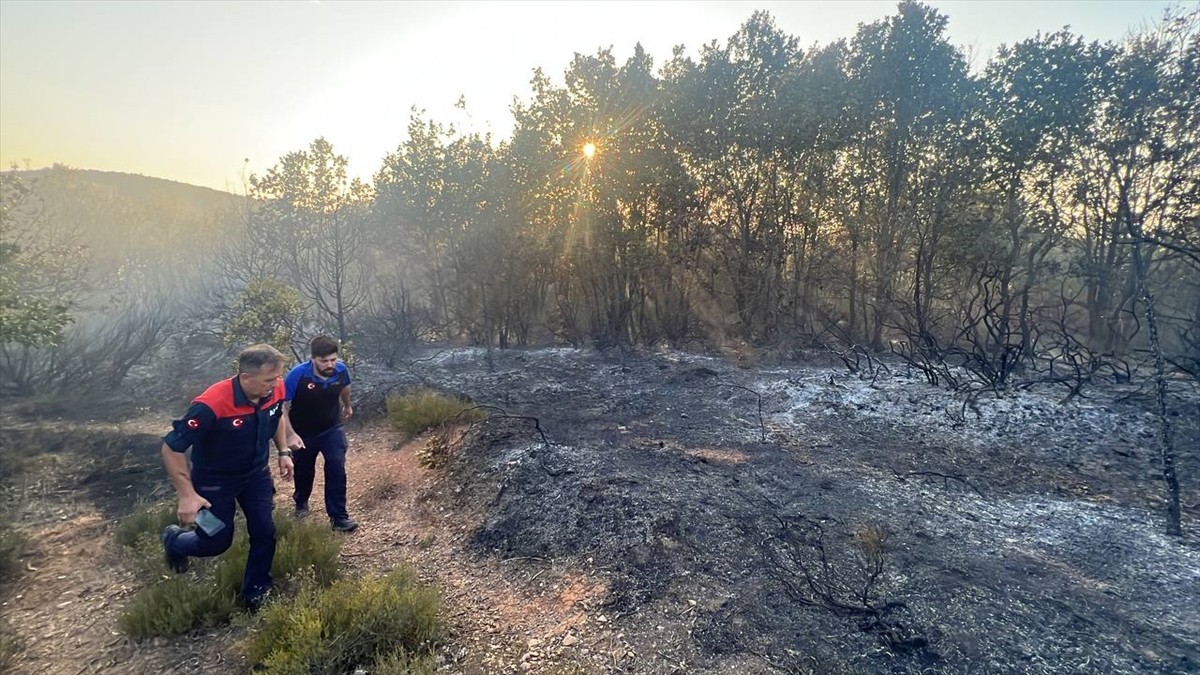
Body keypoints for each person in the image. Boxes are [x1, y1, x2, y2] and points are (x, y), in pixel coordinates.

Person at [159, 343, 302, 610]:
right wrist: (188, 496)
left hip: (256, 476)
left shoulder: (275, 388)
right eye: (268, 380)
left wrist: (283, 451)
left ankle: (256, 594)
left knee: (265, 531)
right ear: (246, 378)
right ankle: (173, 539)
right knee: (215, 542)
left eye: (277, 378)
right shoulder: (211, 405)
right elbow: (171, 447)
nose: (275, 384)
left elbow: (275, 415)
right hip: (213, 483)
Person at [285, 335, 358, 532]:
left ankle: (339, 518)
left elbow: (345, 388)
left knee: (336, 466)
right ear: (313, 358)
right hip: (303, 431)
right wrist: (290, 434)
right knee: (304, 470)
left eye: (333, 359)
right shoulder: (297, 375)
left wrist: (347, 406)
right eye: (324, 361)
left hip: (331, 427)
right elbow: (281, 405)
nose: (329, 364)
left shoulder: (341, 370)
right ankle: (301, 502)